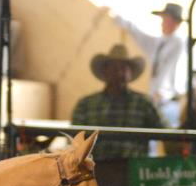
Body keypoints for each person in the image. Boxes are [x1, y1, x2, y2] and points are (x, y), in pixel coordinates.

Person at [70, 43, 163, 172]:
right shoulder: (85, 105)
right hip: (94, 171)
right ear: (105, 71)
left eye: (124, 67)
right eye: (114, 66)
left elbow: (165, 131)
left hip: (133, 172)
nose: (119, 71)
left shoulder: (144, 103)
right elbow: (75, 142)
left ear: (130, 73)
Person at [114, 1, 186, 129]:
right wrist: (125, 24)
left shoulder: (178, 43)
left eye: (167, 19)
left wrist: (159, 91)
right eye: (164, 19)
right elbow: (141, 37)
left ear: (176, 23)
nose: (164, 23)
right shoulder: (159, 42)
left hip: (168, 100)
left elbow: (167, 69)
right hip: (156, 99)